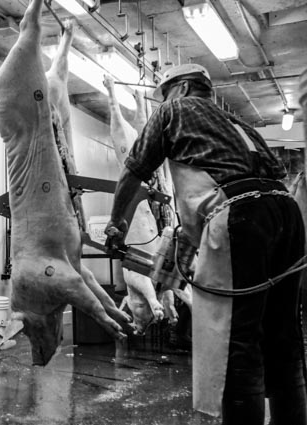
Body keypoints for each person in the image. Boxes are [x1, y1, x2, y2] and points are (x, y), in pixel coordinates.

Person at [104, 63, 307, 425]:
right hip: (287, 216)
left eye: (163, 94)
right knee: (283, 336)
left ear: (180, 88)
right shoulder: (240, 125)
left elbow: (135, 170)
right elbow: (264, 177)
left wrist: (117, 220)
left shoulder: (174, 110)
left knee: (235, 343)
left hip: (241, 217)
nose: (162, 102)